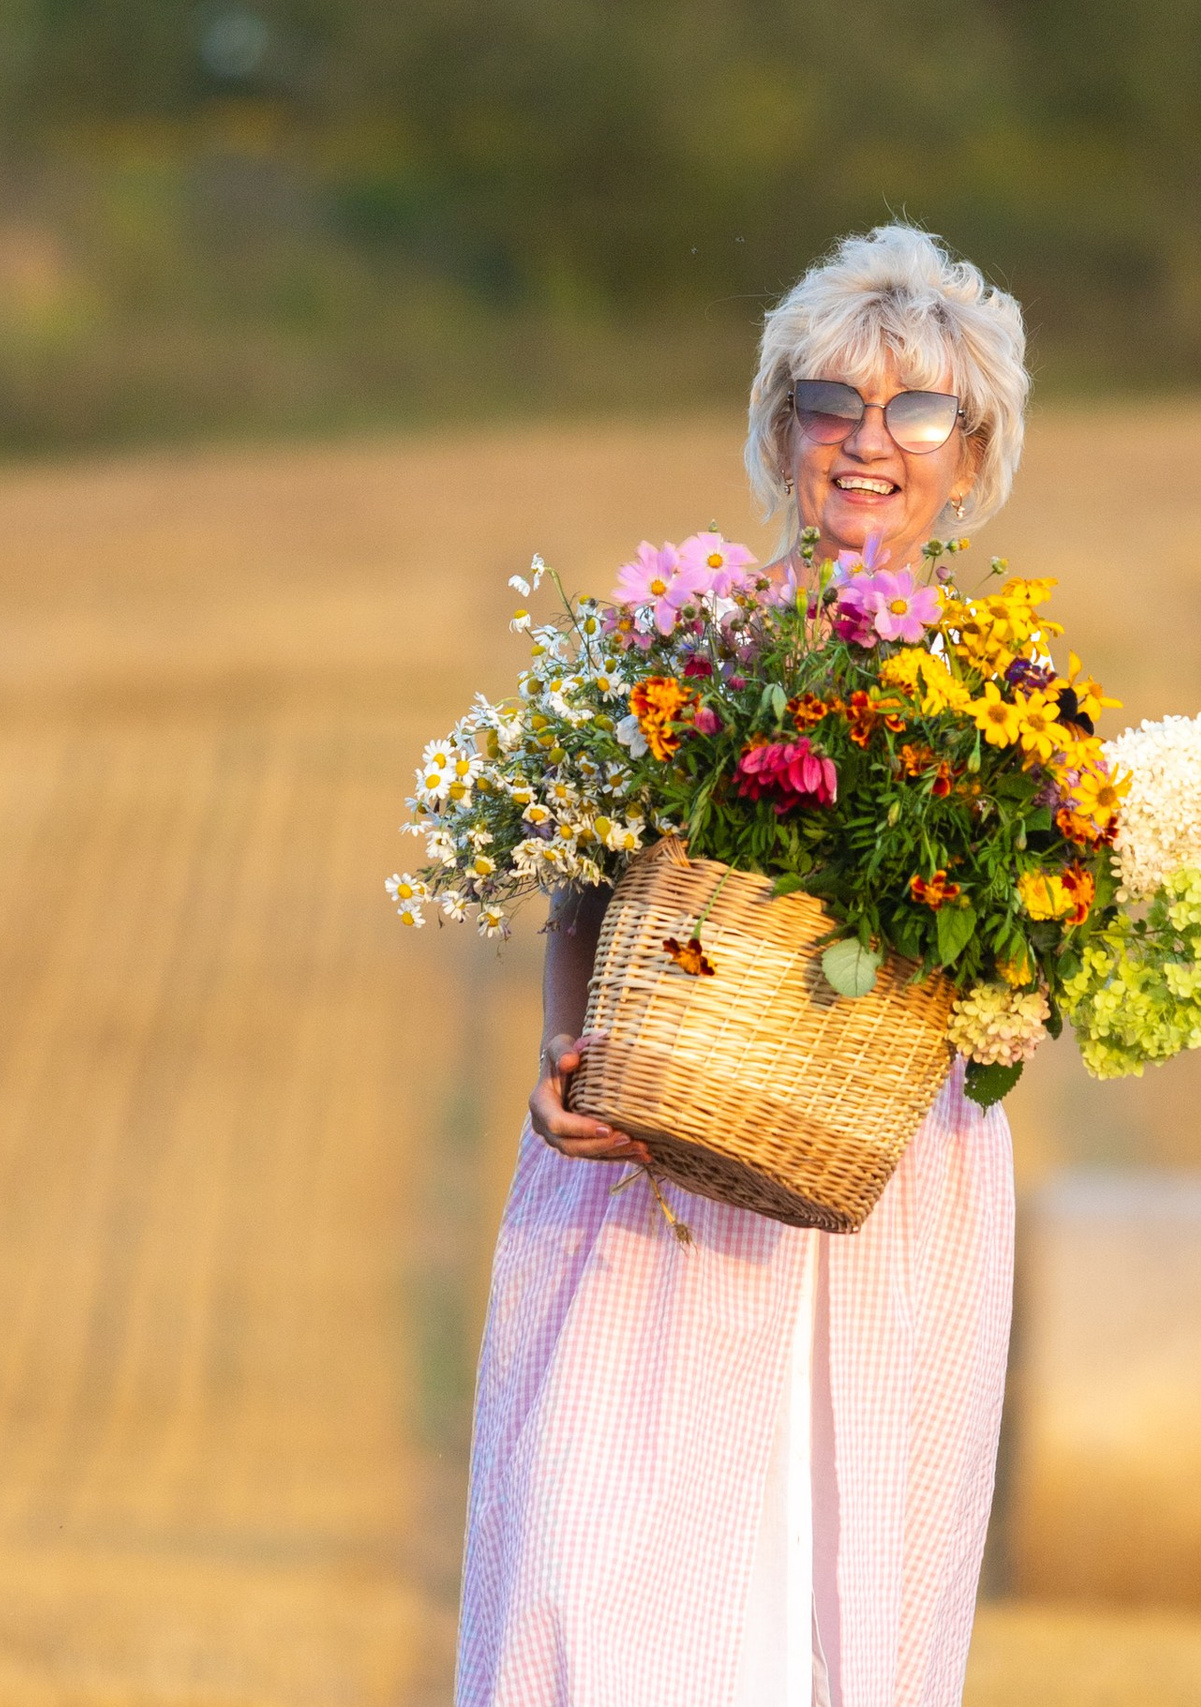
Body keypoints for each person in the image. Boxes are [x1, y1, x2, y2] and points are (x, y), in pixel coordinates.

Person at [454, 224, 1031, 1707]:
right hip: (648, 1163)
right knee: (590, 1575)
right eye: (829, 405)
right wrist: (563, 1054)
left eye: (917, 412)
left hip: (885, 1193)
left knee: (838, 1607)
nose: (868, 444)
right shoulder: (681, 635)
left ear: (969, 460)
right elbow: (584, 873)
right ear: (781, 437)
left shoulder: (1013, 705)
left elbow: (1014, 963)